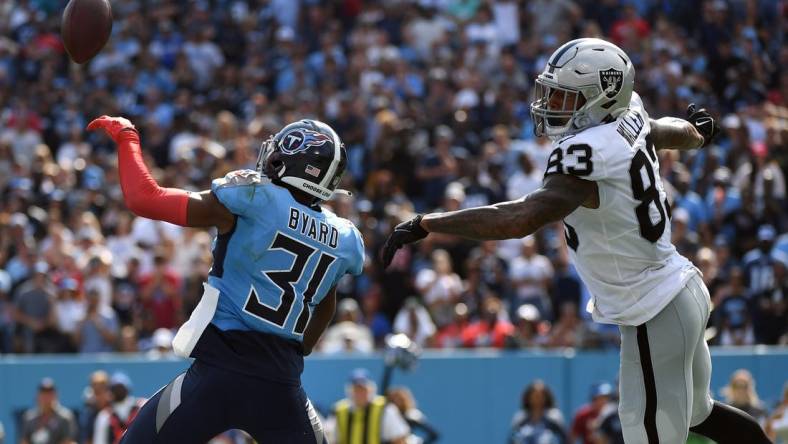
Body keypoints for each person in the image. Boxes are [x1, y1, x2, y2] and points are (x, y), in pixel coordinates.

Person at [381, 38, 771, 443]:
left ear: (602, 97)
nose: (551, 104)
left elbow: (521, 218)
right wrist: (696, 134)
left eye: (566, 97)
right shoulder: (626, 114)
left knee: (650, 435)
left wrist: (431, 222)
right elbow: (660, 131)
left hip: (652, 308)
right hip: (678, 291)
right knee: (699, 417)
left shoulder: (586, 152)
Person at [87, 115, 364, 442]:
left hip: (217, 374)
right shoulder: (345, 238)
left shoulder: (255, 197)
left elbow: (142, 197)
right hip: (281, 384)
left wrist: (127, 137)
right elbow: (324, 309)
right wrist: (290, 352)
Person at [325, 368, 410, 444]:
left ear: (371, 389)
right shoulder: (339, 410)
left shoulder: (385, 409)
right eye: (356, 389)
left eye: (363, 389)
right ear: (349, 391)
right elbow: (330, 439)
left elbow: (399, 439)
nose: (360, 394)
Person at [93, 372, 147, 444]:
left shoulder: (141, 406)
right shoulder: (104, 416)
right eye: (115, 387)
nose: (118, 390)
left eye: (121, 387)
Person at [20, 378, 77, 444]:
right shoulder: (29, 417)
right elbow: (24, 441)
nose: (46, 396)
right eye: (43, 392)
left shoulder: (65, 417)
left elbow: (68, 441)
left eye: (50, 393)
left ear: (55, 395)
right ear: (38, 395)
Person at [510, 380, 567, 444]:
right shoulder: (520, 417)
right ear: (528, 397)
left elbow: (563, 438)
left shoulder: (554, 416)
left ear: (546, 397)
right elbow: (512, 439)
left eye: (540, 395)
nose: (537, 398)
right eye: (534, 395)